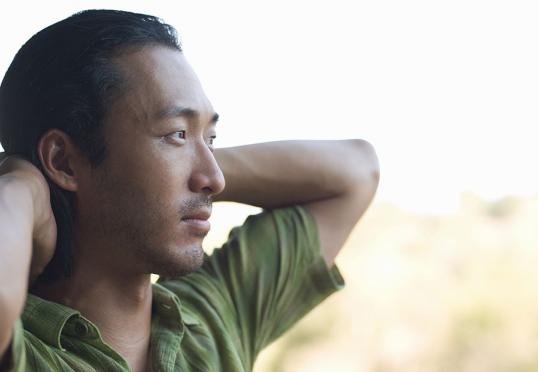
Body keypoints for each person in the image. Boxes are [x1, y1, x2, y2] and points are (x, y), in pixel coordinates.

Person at [0, 9, 379, 372]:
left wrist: (180, 162)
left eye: (210, 138)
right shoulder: (22, 351)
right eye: (176, 134)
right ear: (64, 161)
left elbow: (356, 172)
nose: (216, 179)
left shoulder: (214, 319)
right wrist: (24, 184)